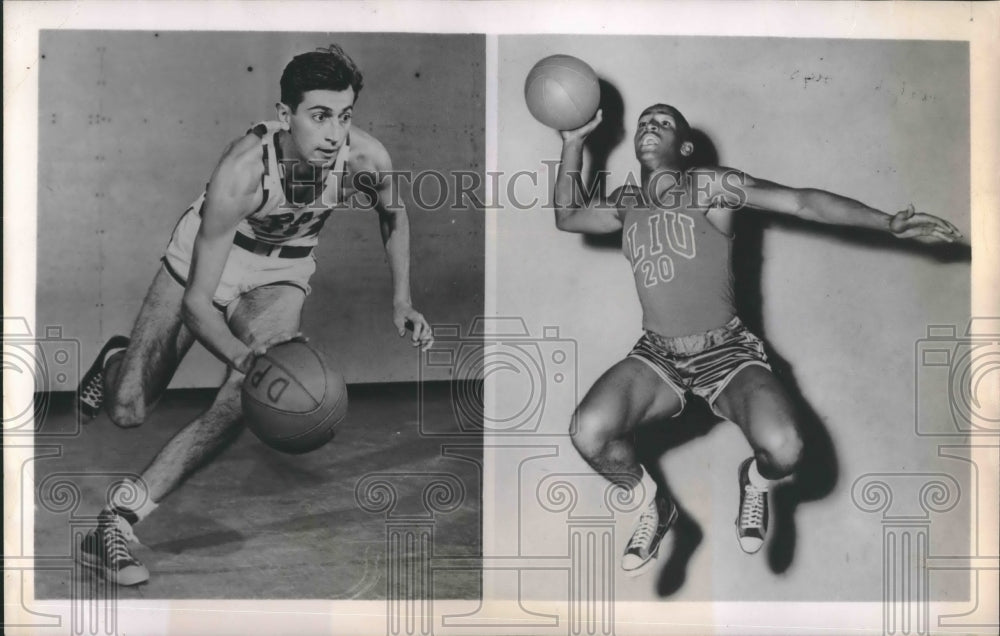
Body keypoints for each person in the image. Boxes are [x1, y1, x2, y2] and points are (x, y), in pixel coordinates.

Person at [74, 44, 434, 586]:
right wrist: (243, 355)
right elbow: (199, 304)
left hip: (281, 272)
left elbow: (393, 214)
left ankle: (118, 520)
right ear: (286, 116)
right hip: (208, 258)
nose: (334, 132)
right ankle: (117, 364)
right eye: (319, 116)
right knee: (128, 408)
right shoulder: (243, 171)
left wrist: (401, 299)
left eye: (344, 115)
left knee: (247, 394)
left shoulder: (364, 158)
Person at [551, 104, 962, 577]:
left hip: (726, 351)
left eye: (663, 122)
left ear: (684, 147)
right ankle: (653, 506)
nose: (649, 126)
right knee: (588, 432)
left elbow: (801, 202)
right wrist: (572, 143)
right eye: (645, 121)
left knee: (785, 447)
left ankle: (754, 482)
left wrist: (885, 222)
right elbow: (567, 216)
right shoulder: (627, 203)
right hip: (658, 355)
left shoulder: (707, 186)